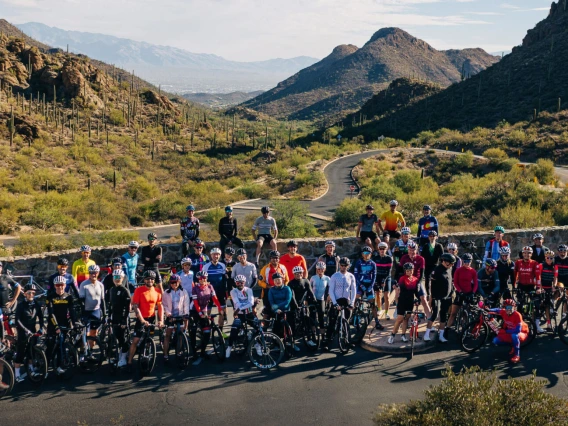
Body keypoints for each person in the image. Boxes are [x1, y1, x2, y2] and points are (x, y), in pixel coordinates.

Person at [127, 270, 163, 371]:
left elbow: (160, 307)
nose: (150, 280)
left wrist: (161, 321)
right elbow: (135, 306)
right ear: (144, 280)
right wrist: (142, 320)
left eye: (152, 279)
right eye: (147, 279)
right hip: (141, 319)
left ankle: (145, 355)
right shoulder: (139, 290)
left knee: (149, 341)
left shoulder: (157, 291)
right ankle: (129, 362)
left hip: (151, 318)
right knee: (135, 340)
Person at [388, 263, 430, 344]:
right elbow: (403, 289)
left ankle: (403, 335)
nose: (409, 272)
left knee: (406, 318)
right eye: (407, 270)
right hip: (402, 301)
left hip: (410, 301)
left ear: (413, 270)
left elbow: (416, 292)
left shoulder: (416, 279)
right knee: (400, 318)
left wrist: (418, 299)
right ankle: (392, 334)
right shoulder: (402, 279)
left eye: (410, 270)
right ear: (405, 271)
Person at [323, 257, 356, 351]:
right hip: (336, 300)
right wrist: (334, 303)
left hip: (346, 300)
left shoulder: (351, 276)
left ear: (348, 266)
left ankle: (347, 339)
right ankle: (327, 340)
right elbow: (331, 291)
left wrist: (352, 302)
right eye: (341, 265)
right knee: (332, 321)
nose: (343, 267)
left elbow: (353, 290)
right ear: (339, 265)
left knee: (346, 321)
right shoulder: (335, 276)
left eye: (345, 266)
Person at [45, 276, 77, 375]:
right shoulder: (50, 297)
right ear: (54, 286)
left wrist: (75, 323)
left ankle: (59, 365)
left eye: (62, 285)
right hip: (53, 324)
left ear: (65, 285)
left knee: (62, 345)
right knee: (51, 345)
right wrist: (56, 326)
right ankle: (45, 367)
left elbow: (72, 312)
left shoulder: (69, 297)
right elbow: (51, 314)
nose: (60, 287)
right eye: (57, 285)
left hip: (64, 323)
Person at [190, 271, 222, 366]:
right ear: (198, 279)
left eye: (204, 278)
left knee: (207, 332)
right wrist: (199, 313)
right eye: (200, 278)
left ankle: (203, 351)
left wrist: (220, 309)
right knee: (193, 331)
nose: (202, 280)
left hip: (203, 309)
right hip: (194, 310)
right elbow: (195, 303)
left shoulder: (210, 287)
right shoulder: (195, 288)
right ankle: (194, 352)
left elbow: (215, 299)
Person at [14, 283, 44, 382]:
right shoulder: (21, 305)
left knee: (31, 351)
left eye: (33, 293)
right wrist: (25, 330)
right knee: (21, 352)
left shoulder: (36, 304)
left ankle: (31, 370)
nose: (31, 295)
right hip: (23, 331)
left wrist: (41, 328)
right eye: (29, 293)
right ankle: (17, 374)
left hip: (33, 330)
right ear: (25, 294)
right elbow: (17, 320)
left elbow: (41, 317)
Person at [424, 253, 455, 343]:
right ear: (445, 262)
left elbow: (450, 281)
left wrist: (452, 292)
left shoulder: (449, 269)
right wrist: (431, 298)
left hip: (447, 296)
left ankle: (441, 335)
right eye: (451, 263)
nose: (452, 265)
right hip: (436, 297)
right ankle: (427, 333)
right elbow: (431, 286)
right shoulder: (436, 271)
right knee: (435, 314)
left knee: (443, 316)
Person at [487, 299, 527, 363]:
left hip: (522, 332)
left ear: (514, 307)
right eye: (506, 307)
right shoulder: (504, 312)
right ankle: (513, 345)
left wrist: (506, 331)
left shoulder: (517, 315)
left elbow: (517, 330)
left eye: (510, 307)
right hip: (510, 331)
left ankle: (517, 355)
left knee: (514, 335)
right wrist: (489, 310)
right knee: (495, 341)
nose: (508, 309)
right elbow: (497, 310)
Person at [226, 275, 256, 359]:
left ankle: (257, 345)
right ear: (235, 283)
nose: (240, 284)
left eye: (242, 282)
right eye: (238, 282)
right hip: (239, 315)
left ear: (244, 282)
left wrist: (239, 308)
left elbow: (251, 303)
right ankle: (229, 347)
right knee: (234, 330)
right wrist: (240, 307)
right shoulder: (233, 291)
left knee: (259, 327)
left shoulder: (249, 290)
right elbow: (236, 302)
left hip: (249, 313)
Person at [78, 264, 106, 358]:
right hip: (86, 311)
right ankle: (82, 352)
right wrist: (82, 314)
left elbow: (102, 301)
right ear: (89, 273)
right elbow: (81, 300)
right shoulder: (84, 284)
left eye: (95, 273)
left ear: (98, 273)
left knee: (94, 334)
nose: (93, 274)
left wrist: (104, 314)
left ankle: (90, 352)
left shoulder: (101, 285)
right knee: (85, 334)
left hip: (96, 311)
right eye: (91, 273)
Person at [162, 274, 190, 364]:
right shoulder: (166, 292)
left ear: (179, 282)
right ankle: (166, 355)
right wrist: (168, 315)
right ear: (170, 283)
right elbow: (165, 305)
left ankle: (178, 352)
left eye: (176, 282)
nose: (174, 284)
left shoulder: (184, 291)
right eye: (172, 283)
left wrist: (186, 315)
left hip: (180, 315)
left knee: (180, 335)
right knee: (167, 335)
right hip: (171, 316)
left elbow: (186, 304)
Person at [447, 253, 478, 331]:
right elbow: (455, 282)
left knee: (467, 313)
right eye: (465, 261)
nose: (467, 263)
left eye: (469, 261)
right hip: (460, 293)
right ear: (462, 261)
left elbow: (476, 283)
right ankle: (446, 329)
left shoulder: (473, 271)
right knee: (453, 313)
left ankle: (466, 328)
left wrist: (473, 292)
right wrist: (460, 291)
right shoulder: (458, 270)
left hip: (469, 293)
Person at [288, 266, 316, 349]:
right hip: (293, 305)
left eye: (300, 273)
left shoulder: (306, 281)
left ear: (302, 273)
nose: (298, 275)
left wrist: (314, 301)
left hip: (302, 304)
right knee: (293, 325)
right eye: (296, 274)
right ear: (294, 274)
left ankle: (309, 339)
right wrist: (296, 305)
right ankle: (292, 342)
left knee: (306, 322)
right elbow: (292, 296)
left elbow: (310, 292)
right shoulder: (291, 283)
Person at [354, 246, 381, 329]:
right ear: (362, 254)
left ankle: (376, 321)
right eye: (365, 253)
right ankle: (353, 317)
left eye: (368, 253)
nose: (366, 255)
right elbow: (356, 275)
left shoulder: (373, 263)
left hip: (369, 285)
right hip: (360, 284)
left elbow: (374, 277)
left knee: (372, 304)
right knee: (356, 299)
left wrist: (371, 286)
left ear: (371, 254)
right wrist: (361, 285)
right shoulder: (358, 262)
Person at [108, 269, 131, 368]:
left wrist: (124, 321)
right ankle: (119, 353)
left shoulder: (125, 291)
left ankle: (123, 358)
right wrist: (108, 317)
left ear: (122, 278)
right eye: (115, 277)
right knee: (116, 337)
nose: (117, 279)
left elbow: (127, 309)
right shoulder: (112, 290)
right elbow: (110, 305)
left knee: (123, 339)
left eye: (119, 278)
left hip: (123, 318)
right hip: (115, 317)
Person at [203, 248, 227, 335]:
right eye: (214, 254)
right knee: (207, 312)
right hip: (209, 292)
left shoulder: (223, 266)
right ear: (211, 255)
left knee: (222, 311)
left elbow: (224, 279)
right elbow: (203, 280)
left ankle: (220, 331)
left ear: (220, 256)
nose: (216, 256)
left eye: (217, 254)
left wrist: (226, 291)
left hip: (220, 292)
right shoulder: (206, 266)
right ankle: (207, 330)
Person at [258, 251, 289, 316]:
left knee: (282, 311)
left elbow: (286, 279)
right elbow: (260, 282)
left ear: (279, 259)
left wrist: (284, 287)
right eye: (273, 258)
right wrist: (268, 286)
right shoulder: (265, 268)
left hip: (281, 292)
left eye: (276, 258)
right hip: (268, 291)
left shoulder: (283, 267)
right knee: (267, 313)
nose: (275, 259)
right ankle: (265, 325)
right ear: (270, 259)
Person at [267, 272, 293, 342]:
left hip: (286, 310)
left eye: (279, 279)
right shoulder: (271, 290)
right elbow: (271, 302)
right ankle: (277, 343)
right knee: (277, 327)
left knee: (290, 327)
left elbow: (287, 301)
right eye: (275, 280)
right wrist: (275, 309)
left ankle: (291, 341)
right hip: (276, 311)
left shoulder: (287, 288)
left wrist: (278, 306)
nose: (277, 281)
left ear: (282, 280)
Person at [536, 251, 557, 333]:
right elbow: (539, 277)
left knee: (547, 305)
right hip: (542, 287)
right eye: (548, 257)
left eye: (551, 258)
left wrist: (554, 286)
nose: (549, 259)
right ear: (545, 257)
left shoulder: (554, 267)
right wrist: (540, 287)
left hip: (549, 288)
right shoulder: (541, 265)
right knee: (538, 305)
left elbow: (555, 278)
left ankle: (548, 323)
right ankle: (535, 323)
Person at [420, 231, 444, 300]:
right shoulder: (426, 246)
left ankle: (435, 293)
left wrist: (441, 266)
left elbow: (442, 257)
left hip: (435, 265)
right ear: (428, 237)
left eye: (433, 236)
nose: (432, 237)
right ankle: (428, 294)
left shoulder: (439, 246)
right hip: (427, 265)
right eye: (430, 236)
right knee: (427, 280)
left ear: (436, 237)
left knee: (436, 279)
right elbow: (422, 257)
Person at [374, 242, 393, 321]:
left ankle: (386, 312)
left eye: (383, 249)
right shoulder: (375, 258)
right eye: (380, 249)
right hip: (377, 277)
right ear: (378, 249)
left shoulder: (389, 258)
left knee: (387, 296)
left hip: (386, 277)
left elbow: (389, 272)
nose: (382, 250)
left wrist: (383, 280)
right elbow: (374, 270)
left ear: (386, 249)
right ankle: (379, 308)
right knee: (378, 294)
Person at [310, 262, 330, 335]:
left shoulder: (327, 278)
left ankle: (322, 332)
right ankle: (313, 331)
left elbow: (331, 288)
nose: (320, 270)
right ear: (316, 269)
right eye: (318, 269)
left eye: (322, 269)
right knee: (312, 315)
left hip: (321, 299)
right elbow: (310, 288)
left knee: (321, 315)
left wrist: (329, 295)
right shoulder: (313, 277)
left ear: (324, 269)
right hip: (313, 298)